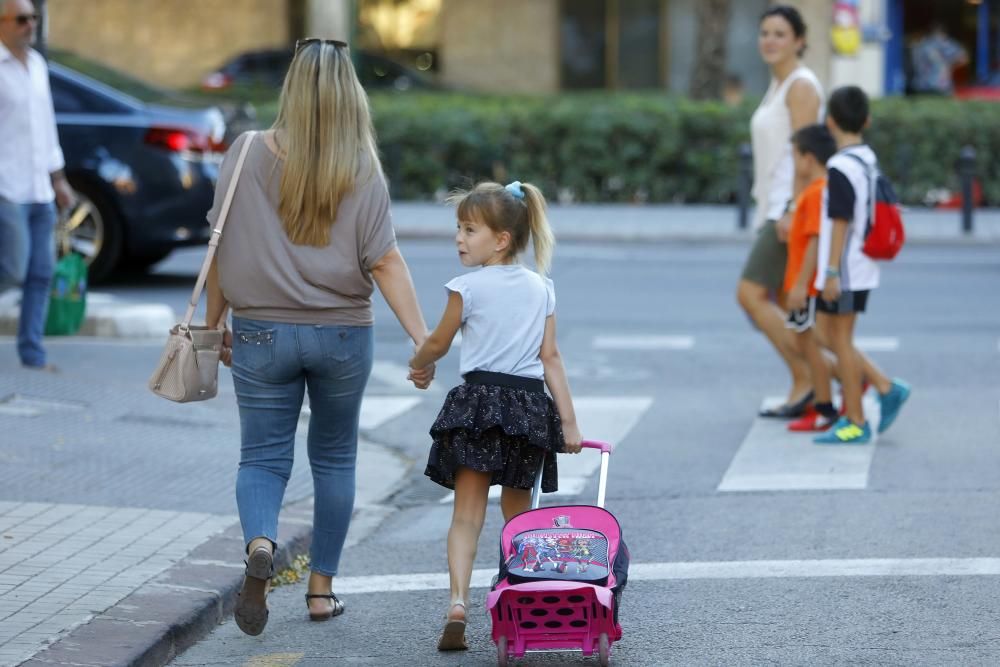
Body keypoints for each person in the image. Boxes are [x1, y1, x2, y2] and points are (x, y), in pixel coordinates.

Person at [203, 38, 433, 636]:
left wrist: (209, 328)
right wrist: (422, 339)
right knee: (334, 458)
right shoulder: (362, 168)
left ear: (291, 90)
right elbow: (385, 263)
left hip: (259, 333)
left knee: (261, 457)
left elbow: (222, 251)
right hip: (341, 337)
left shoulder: (245, 152)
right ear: (350, 96)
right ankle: (321, 590)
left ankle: (260, 542)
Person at [407, 181, 582, 651]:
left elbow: (440, 341)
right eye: (458, 229)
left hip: (479, 405)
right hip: (527, 408)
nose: (459, 238)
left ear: (501, 239)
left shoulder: (466, 287)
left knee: (466, 516)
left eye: (468, 229)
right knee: (518, 515)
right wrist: (569, 423)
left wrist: (420, 361)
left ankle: (458, 604)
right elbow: (551, 357)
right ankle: (522, 599)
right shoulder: (542, 287)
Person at [737, 5, 824, 418]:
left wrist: (792, 210)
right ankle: (836, 377)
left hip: (787, 212)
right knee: (792, 306)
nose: (769, 40)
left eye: (780, 34)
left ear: (800, 41)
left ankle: (812, 377)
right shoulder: (779, 84)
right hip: (773, 208)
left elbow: (805, 157)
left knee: (751, 294)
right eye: (765, 33)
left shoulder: (801, 86)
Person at [813, 86, 911, 445]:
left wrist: (832, 272)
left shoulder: (840, 166)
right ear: (866, 120)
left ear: (830, 122)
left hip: (847, 268)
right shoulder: (867, 158)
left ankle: (855, 421)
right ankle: (885, 387)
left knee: (839, 341)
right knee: (828, 335)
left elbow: (840, 221)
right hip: (862, 264)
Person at [0, 0, 76, 370]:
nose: (30, 24)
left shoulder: (38, 67)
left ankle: (32, 355)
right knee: (13, 269)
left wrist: (58, 178)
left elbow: (46, 128)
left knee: (41, 272)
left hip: (39, 189)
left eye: (34, 18)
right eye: (22, 19)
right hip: (6, 188)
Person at [783, 124, 838, 432]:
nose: (794, 164)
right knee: (805, 343)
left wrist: (801, 285)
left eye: (795, 156)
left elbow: (816, 238)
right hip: (804, 282)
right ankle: (825, 403)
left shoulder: (817, 193)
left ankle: (824, 407)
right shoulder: (816, 190)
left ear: (809, 158)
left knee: (811, 347)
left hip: (807, 285)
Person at [910, 22, 968, 95]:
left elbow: (963, 59)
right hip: (940, 86)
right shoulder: (947, 43)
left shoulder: (922, 44)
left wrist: (948, 66)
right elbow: (963, 59)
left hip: (921, 85)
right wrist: (949, 66)